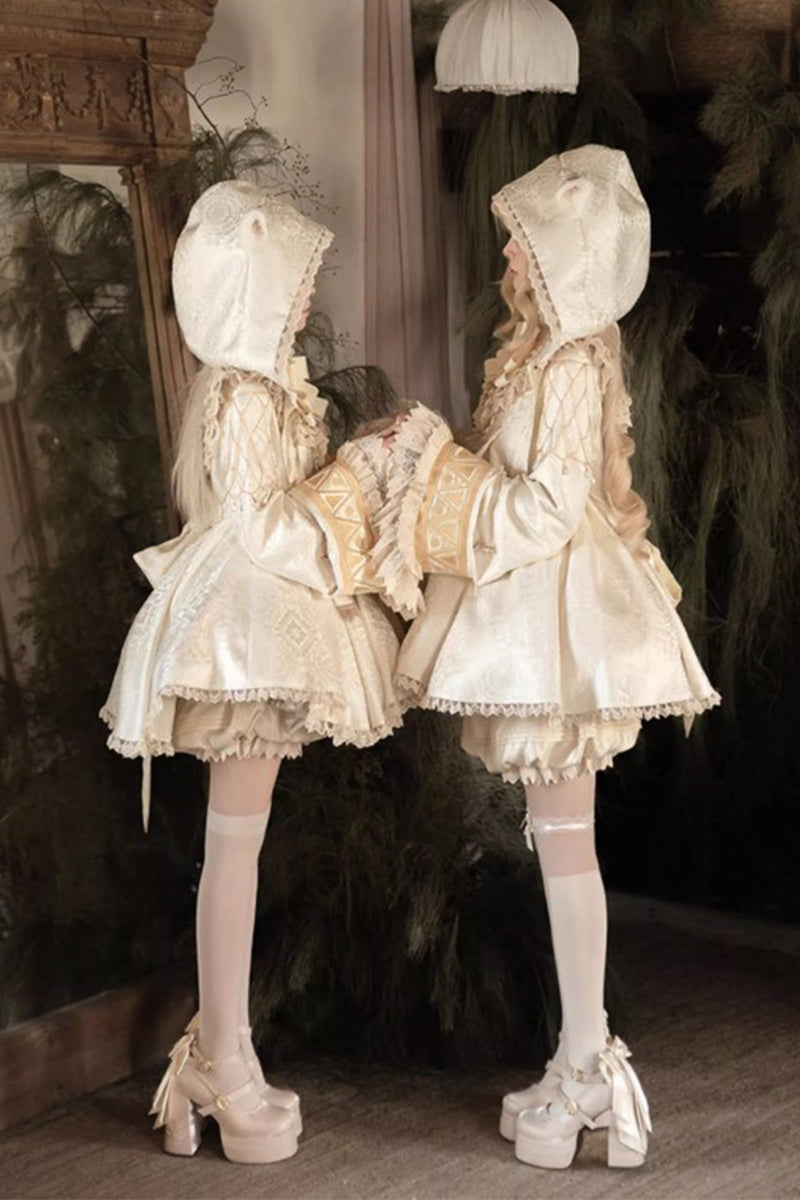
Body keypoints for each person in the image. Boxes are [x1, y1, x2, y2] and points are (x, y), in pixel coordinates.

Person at [352, 145, 720, 1170]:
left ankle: (589, 1067)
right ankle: (575, 1058)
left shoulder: (567, 364)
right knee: (559, 843)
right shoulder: (540, 356)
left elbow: (550, 509)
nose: (508, 250)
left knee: (565, 846)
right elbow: (512, 478)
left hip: (557, 618)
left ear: (566, 255)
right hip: (535, 604)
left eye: (524, 236)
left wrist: (436, 480)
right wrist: (439, 462)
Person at [100, 180, 404, 1164]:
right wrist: (357, 482)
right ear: (254, 289)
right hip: (243, 632)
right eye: (296, 277)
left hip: (263, 621)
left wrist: (353, 468)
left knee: (240, 843)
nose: (310, 293)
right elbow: (263, 526)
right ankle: (219, 1060)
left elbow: (283, 503)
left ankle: (217, 1052)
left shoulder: (267, 386)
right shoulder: (240, 394)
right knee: (233, 847)